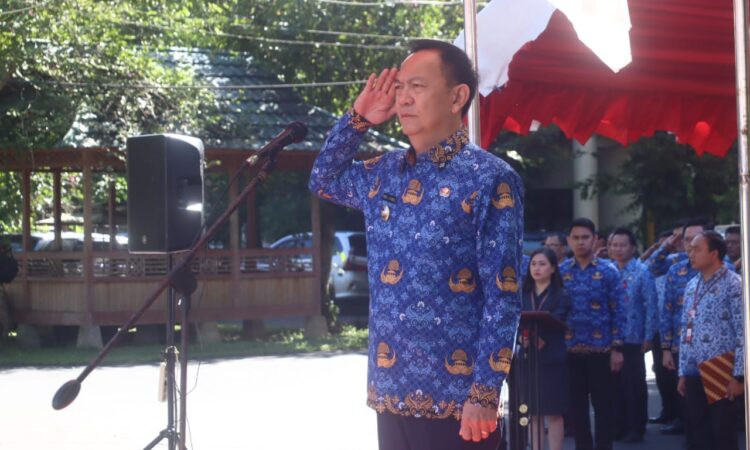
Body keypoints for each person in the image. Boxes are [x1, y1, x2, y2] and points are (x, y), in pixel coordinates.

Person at [309, 39, 524, 450]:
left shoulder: (489, 179)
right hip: (391, 390)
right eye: (399, 87)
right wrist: (357, 119)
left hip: (458, 400)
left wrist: (484, 393)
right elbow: (323, 180)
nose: (403, 98)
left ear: (457, 97)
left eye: (417, 86)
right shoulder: (382, 172)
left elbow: (504, 295)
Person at [560, 217, 625, 450]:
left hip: (602, 350)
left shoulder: (608, 271)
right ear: (568, 240)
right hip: (570, 351)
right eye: (575, 238)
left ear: (595, 240)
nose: (580, 242)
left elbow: (619, 310)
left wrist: (617, 348)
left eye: (585, 237)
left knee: (604, 407)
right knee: (576, 409)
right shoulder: (561, 272)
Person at [678, 231, 744, 450]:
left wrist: (740, 376)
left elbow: (743, 332)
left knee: (722, 433)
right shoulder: (691, 285)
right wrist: (683, 372)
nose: (691, 254)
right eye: (690, 249)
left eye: (697, 249)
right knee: (698, 433)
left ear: (714, 253)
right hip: (694, 370)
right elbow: (685, 330)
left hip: (721, 368)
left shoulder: (734, 284)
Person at [608, 228, 657, 443]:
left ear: (633, 248)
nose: (618, 249)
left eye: (622, 245)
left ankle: (636, 427)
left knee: (634, 385)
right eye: (614, 245)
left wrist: (649, 336)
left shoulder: (642, 272)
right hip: (609, 338)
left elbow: (651, 305)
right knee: (613, 386)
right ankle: (617, 426)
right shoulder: (607, 270)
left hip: (633, 338)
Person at [519, 248, 571, 450]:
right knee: (533, 413)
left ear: (553, 268)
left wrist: (536, 336)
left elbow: (559, 320)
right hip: (528, 358)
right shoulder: (523, 293)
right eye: (533, 264)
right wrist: (523, 338)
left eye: (542, 264)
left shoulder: (561, 295)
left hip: (552, 358)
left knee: (554, 413)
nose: (537, 268)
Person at [648, 230, 681, 426]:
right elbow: (652, 263)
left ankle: (680, 416)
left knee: (677, 376)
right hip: (659, 327)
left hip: (679, 330)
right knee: (662, 374)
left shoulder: (682, 263)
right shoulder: (662, 265)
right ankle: (668, 411)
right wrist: (663, 247)